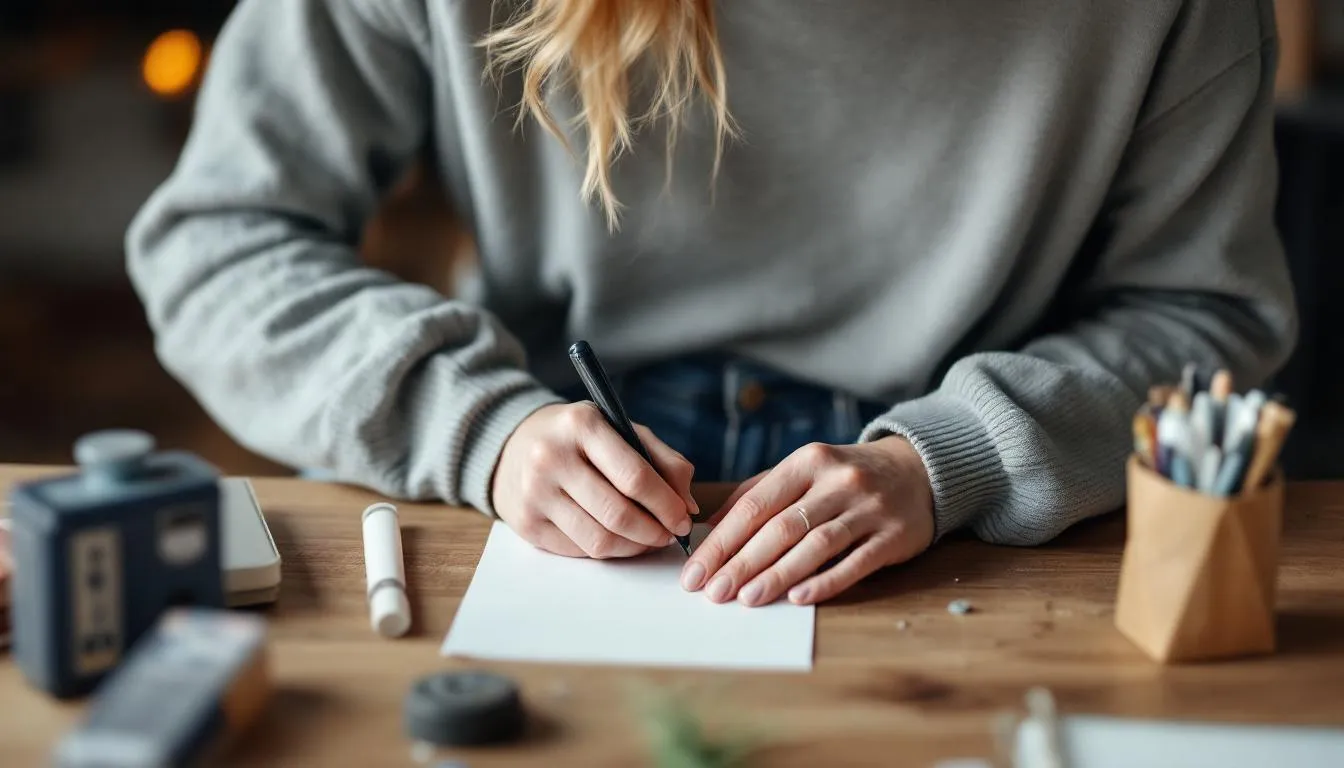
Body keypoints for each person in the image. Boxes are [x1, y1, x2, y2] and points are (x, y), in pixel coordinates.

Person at [127, 0, 1296, 609]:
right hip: (538, 476)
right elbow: (217, 244)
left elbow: (1206, 319)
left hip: (984, 517)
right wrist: (481, 429)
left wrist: (959, 462)